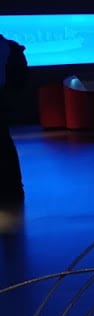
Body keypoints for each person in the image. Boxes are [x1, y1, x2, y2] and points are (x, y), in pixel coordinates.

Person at [0, 33, 27, 206]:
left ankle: (11, 189)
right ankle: (13, 189)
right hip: (4, 99)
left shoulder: (6, 46)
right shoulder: (7, 46)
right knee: (5, 144)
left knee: (4, 144)